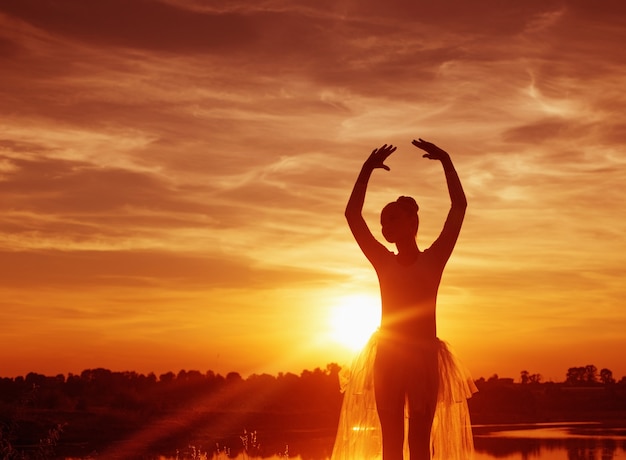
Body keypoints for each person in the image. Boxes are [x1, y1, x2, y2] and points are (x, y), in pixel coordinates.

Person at [331, 139, 476, 460]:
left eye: (393, 218)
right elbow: (352, 215)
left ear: (413, 223)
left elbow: (459, 208)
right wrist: (365, 170)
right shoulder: (383, 262)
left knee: (421, 445)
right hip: (387, 358)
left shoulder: (434, 259)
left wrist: (447, 163)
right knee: (391, 445)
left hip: (424, 359)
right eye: (383, 221)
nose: (385, 226)